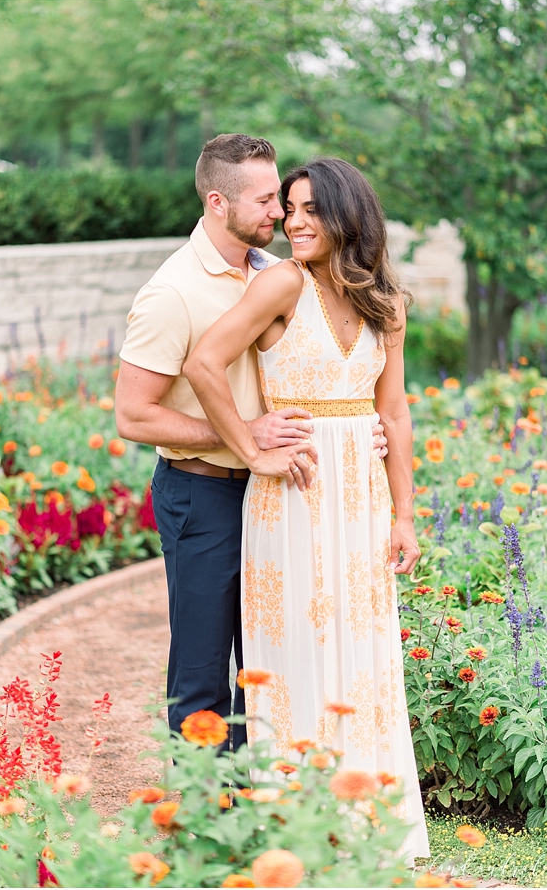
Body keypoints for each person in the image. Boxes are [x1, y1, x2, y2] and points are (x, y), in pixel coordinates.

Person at [182, 157, 428, 860]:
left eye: (310, 208)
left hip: (364, 500)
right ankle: (295, 825)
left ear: (348, 216)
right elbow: (204, 363)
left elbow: (396, 411)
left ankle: (366, 820)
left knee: (365, 655)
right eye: (288, 207)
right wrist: (253, 449)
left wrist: (404, 512)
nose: (293, 221)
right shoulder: (282, 282)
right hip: (290, 497)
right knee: (296, 652)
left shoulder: (387, 302)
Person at [114, 135, 387, 752]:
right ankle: (206, 823)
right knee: (204, 668)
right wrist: (243, 438)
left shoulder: (278, 271)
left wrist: (351, 426)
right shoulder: (171, 293)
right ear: (218, 202)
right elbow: (134, 416)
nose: (282, 216)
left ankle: (257, 806)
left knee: (273, 659)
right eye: (268, 202)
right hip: (204, 494)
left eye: (285, 203)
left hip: (282, 496)